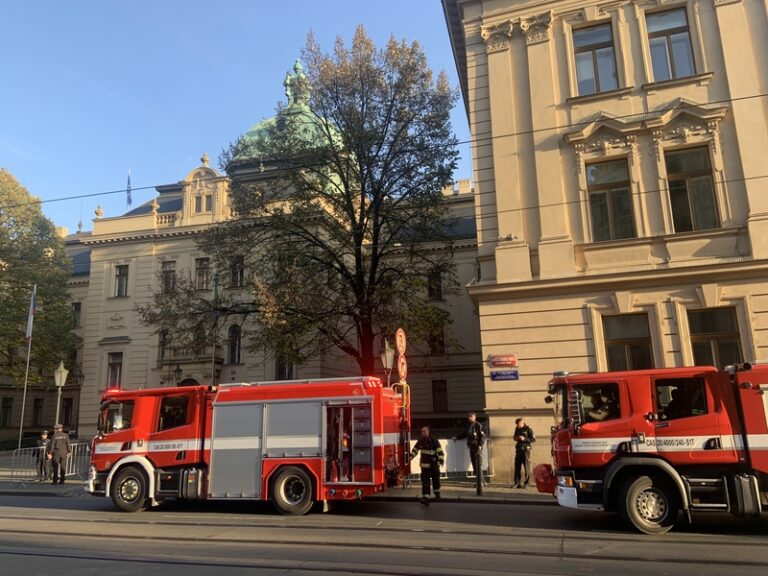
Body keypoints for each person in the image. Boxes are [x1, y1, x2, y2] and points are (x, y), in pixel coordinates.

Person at [410, 425, 444, 505]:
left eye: (424, 431)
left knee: (436, 480)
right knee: (425, 482)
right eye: (422, 432)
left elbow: (440, 451)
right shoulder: (420, 441)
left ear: (428, 432)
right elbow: (415, 450)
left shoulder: (434, 441)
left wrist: (441, 460)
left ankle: (437, 493)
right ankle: (426, 497)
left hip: (434, 465)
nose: (423, 433)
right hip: (424, 466)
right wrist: (411, 456)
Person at [453, 411, 486, 482]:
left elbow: (482, 436)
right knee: (474, 464)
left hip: (477, 447)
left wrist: (480, 445)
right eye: (469, 416)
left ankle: (480, 482)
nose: (470, 418)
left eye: (471, 416)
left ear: (474, 417)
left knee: (478, 464)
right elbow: (464, 434)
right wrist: (457, 437)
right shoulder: (469, 426)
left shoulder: (478, 425)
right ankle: (479, 481)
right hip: (471, 447)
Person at [513, 417, 535, 488]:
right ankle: (517, 483)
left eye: (519, 425)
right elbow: (514, 436)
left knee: (527, 468)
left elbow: (533, 439)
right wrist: (516, 438)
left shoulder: (528, 429)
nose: (518, 426)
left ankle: (527, 483)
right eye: (517, 425)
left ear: (522, 423)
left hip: (526, 451)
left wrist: (524, 439)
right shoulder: (517, 429)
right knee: (517, 467)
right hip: (518, 450)